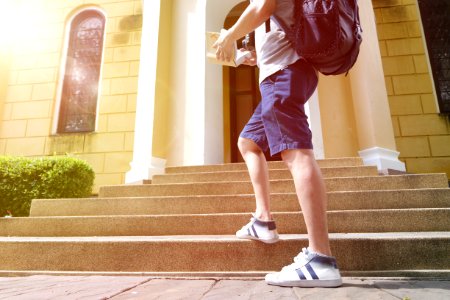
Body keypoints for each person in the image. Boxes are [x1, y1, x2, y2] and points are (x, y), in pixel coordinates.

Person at [213, 0, 342, 288]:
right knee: (248, 142)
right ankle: (263, 221)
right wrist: (256, 57)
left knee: (297, 154)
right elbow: (281, 22)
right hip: (288, 71)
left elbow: (263, 7)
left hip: (283, 75)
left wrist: (228, 35)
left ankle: (321, 258)